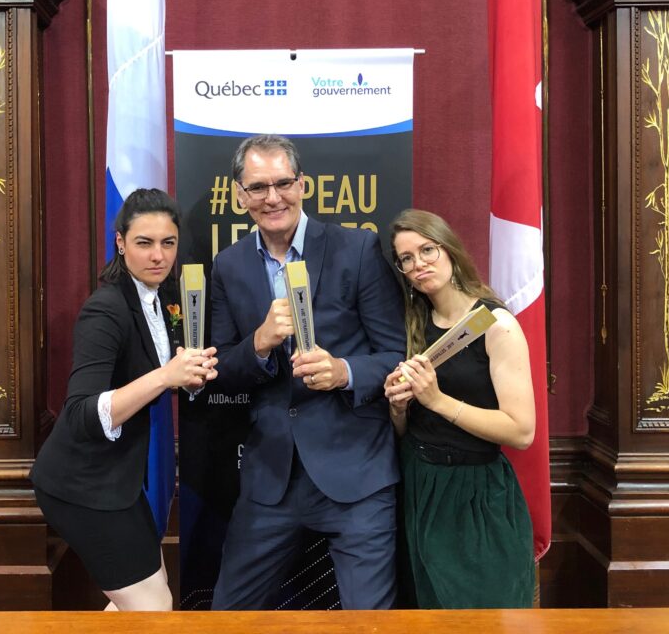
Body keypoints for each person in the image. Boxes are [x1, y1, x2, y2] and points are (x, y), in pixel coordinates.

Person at [209, 134, 405, 610]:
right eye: (257, 188)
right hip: (270, 479)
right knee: (225, 619)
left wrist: (343, 371)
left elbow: (396, 355)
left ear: (303, 185)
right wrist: (257, 344)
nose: (272, 197)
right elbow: (218, 370)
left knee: (371, 626)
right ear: (239, 196)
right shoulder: (228, 265)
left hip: (357, 475)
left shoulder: (357, 249)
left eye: (282, 183)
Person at [30, 188, 218, 611]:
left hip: (119, 482)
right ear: (120, 242)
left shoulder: (160, 296)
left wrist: (188, 378)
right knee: (154, 608)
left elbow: (160, 373)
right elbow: (80, 413)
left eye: (167, 243)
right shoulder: (105, 309)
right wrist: (164, 375)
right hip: (79, 485)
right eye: (144, 243)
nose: (158, 255)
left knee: (152, 596)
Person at [383, 208, 535, 609]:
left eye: (427, 250)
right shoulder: (414, 322)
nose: (419, 265)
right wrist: (399, 408)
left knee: (483, 615)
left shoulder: (495, 324)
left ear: (449, 250)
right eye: (407, 259)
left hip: (476, 494)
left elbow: (521, 431)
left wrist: (437, 400)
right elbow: (408, 430)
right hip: (421, 484)